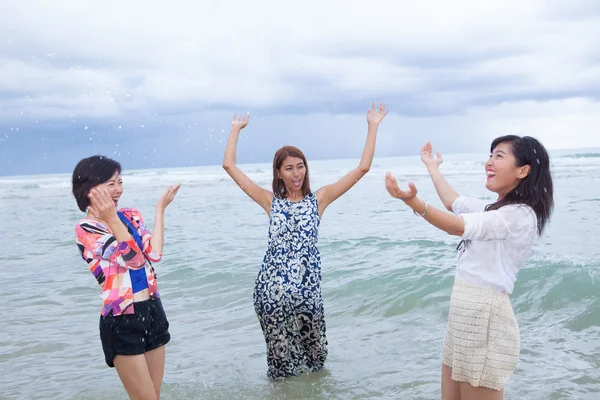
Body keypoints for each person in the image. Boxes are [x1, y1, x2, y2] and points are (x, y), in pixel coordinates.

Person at [222, 102, 389, 379]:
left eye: (300, 166)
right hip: (270, 295)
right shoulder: (270, 201)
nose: (296, 173)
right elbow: (229, 165)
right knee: (279, 365)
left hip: (307, 296)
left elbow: (362, 168)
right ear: (279, 173)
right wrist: (235, 129)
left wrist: (372, 127)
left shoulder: (318, 200)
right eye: (289, 168)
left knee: (315, 362)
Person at [385, 136, 554, 400]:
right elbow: (453, 203)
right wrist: (432, 168)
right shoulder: (495, 209)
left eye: (499, 156)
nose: (489, 162)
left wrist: (414, 203)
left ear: (523, 170)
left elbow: (456, 226)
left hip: (484, 318)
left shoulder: (519, 215)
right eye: (491, 155)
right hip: (463, 317)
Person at [72, 155, 181, 400]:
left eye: (119, 182)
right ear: (89, 189)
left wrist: (159, 209)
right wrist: (111, 218)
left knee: (155, 395)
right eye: (110, 184)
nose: (118, 189)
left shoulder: (130, 216)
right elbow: (133, 259)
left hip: (152, 309)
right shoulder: (87, 228)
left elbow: (154, 253)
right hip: (121, 319)